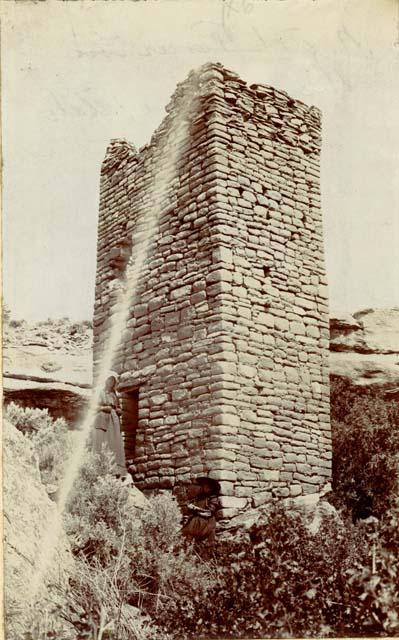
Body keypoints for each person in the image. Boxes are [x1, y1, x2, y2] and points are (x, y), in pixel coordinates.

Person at [92, 371, 129, 479]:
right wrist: (104, 408)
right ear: (105, 380)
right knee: (102, 441)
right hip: (102, 419)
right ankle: (101, 467)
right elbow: (92, 407)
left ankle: (117, 468)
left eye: (112, 381)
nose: (110, 383)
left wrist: (118, 410)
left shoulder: (114, 395)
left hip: (114, 420)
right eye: (109, 380)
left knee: (115, 441)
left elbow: (118, 407)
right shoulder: (99, 392)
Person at [181, 476, 220, 546]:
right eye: (204, 486)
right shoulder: (199, 498)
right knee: (188, 522)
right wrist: (190, 507)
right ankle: (186, 541)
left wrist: (196, 509)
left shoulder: (213, 498)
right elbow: (192, 509)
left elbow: (209, 513)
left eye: (207, 487)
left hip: (207, 521)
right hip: (197, 519)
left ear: (211, 488)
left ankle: (189, 541)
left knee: (193, 523)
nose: (205, 488)